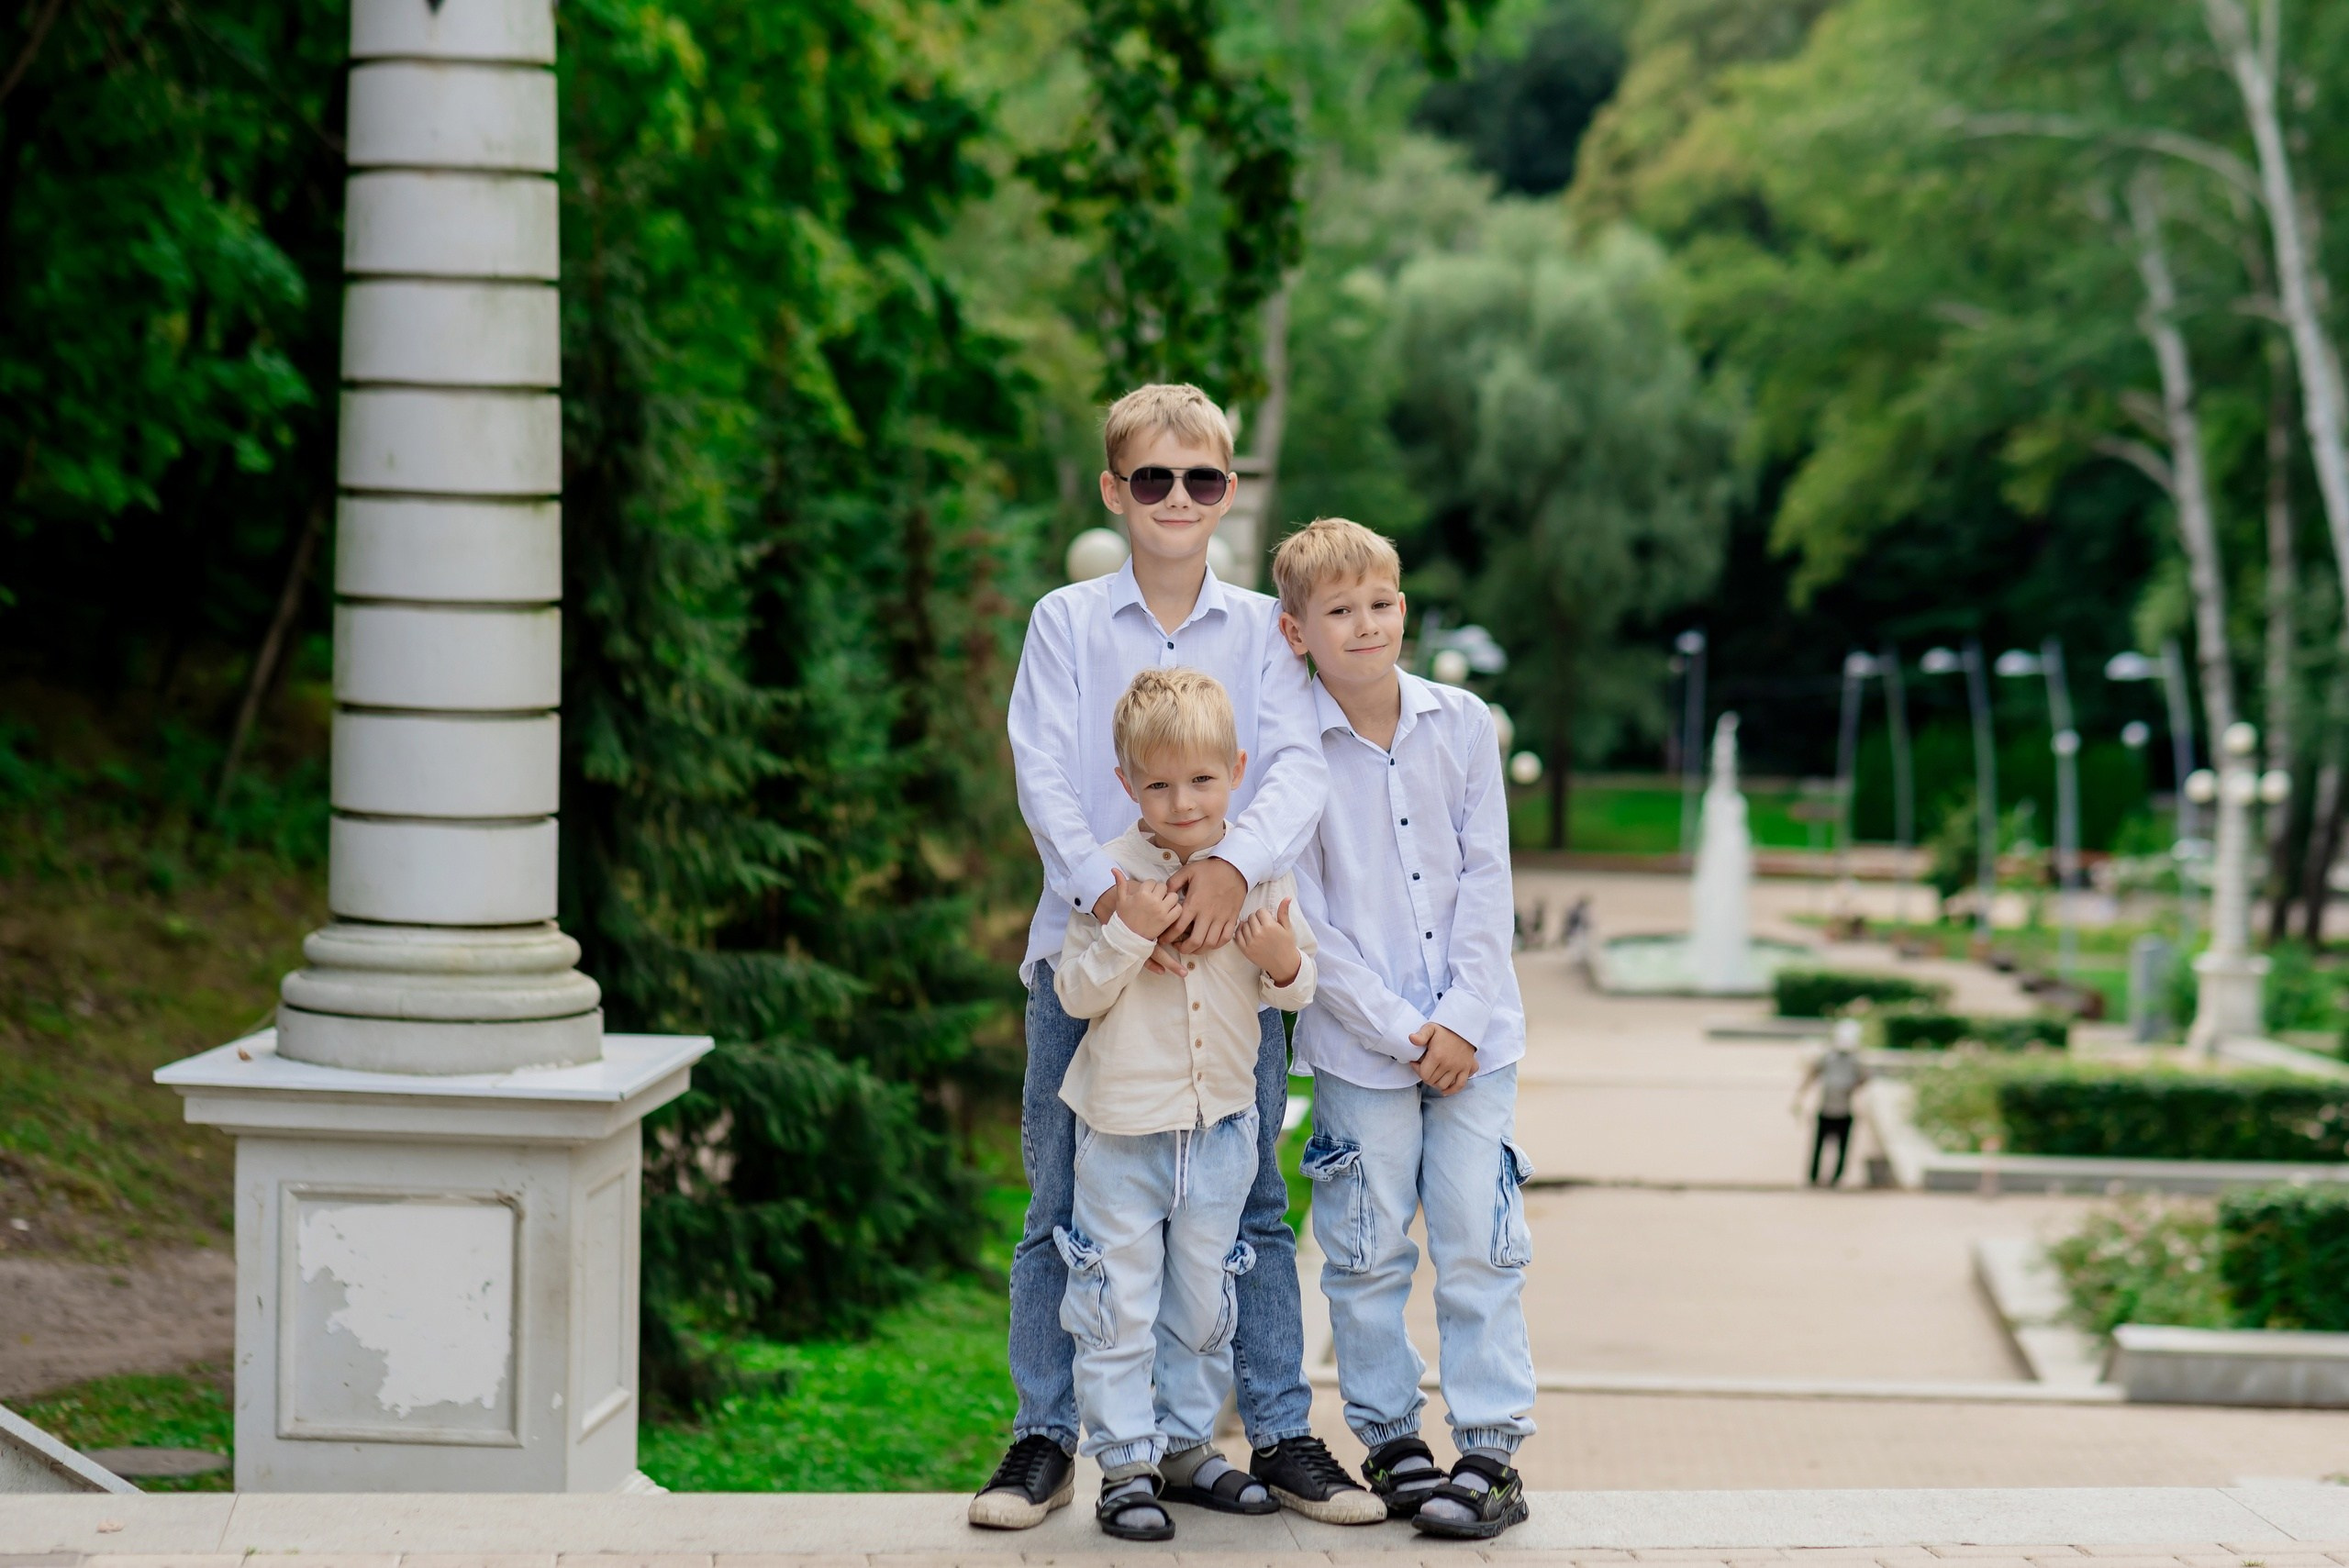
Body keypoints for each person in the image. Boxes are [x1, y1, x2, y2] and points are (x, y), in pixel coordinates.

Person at [976, 385, 1383, 1530]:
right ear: (1115, 491)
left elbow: (1295, 765)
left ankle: (1270, 1430)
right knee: (1064, 1205)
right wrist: (1118, 896)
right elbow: (1044, 771)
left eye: (1200, 480)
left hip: (1228, 959)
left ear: (1228, 493)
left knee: (1246, 1203)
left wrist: (1224, 875)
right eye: (1150, 479)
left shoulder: (1263, 625)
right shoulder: (1066, 620)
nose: (1175, 499)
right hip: (1090, 951)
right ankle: (1047, 1435)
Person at [1275, 517, 1538, 1540]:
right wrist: (1403, 1030)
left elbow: (1488, 878)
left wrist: (1460, 1019)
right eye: (1338, 610)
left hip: (1478, 1043)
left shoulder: (1463, 722)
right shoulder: (1288, 748)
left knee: (1477, 1239)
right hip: (1360, 1049)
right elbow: (1309, 921)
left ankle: (1489, 1452)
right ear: (1297, 631)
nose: (1365, 623)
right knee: (1365, 1249)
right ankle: (1392, 1441)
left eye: (1380, 602)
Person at [1049, 668, 1319, 1540]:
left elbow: (1299, 986)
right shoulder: (1112, 878)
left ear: (1236, 769)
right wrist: (1129, 929)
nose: (1182, 800)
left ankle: (1186, 1445)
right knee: (1117, 1297)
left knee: (1204, 1299)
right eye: (1158, 784)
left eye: (1202, 779)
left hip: (1222, 1127)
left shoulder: (1258, 873)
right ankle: (1124, 1462)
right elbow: (1076, 993)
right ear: (1126, 784)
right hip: (1125, 1130)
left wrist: (1281, 959)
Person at [1796, 1018, 1871, 1186]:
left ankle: (1836, 1177)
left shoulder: (1856, 1060)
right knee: (1819, 1147)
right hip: (1826, 1108)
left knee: (1841, 1149)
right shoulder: (1827, 1057)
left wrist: (1853, 1088)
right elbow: (1812, 1073)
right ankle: (1814, 1177)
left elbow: (1864, 1078)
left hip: (1845, 1110)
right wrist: (1800, 1096)